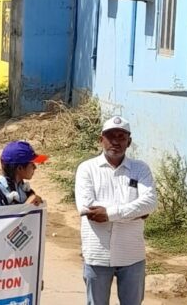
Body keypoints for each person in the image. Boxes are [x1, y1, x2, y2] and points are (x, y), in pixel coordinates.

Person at [75, 116, 157, 305]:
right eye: (110, 136)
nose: (115, 141)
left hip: (131, 255)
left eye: (121, 137)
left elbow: (150, 202)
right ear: (100, 139)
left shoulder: (140, 169)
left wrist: (110, 214)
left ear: (129, 141)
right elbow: (87, 208)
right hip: (97, 255)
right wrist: (135, 213)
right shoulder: (87, 169)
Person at [0, 141, 46, 207]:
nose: (35, 167)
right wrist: (26, 207)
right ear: (19, 168)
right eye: (32, 164)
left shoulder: (25, 190)